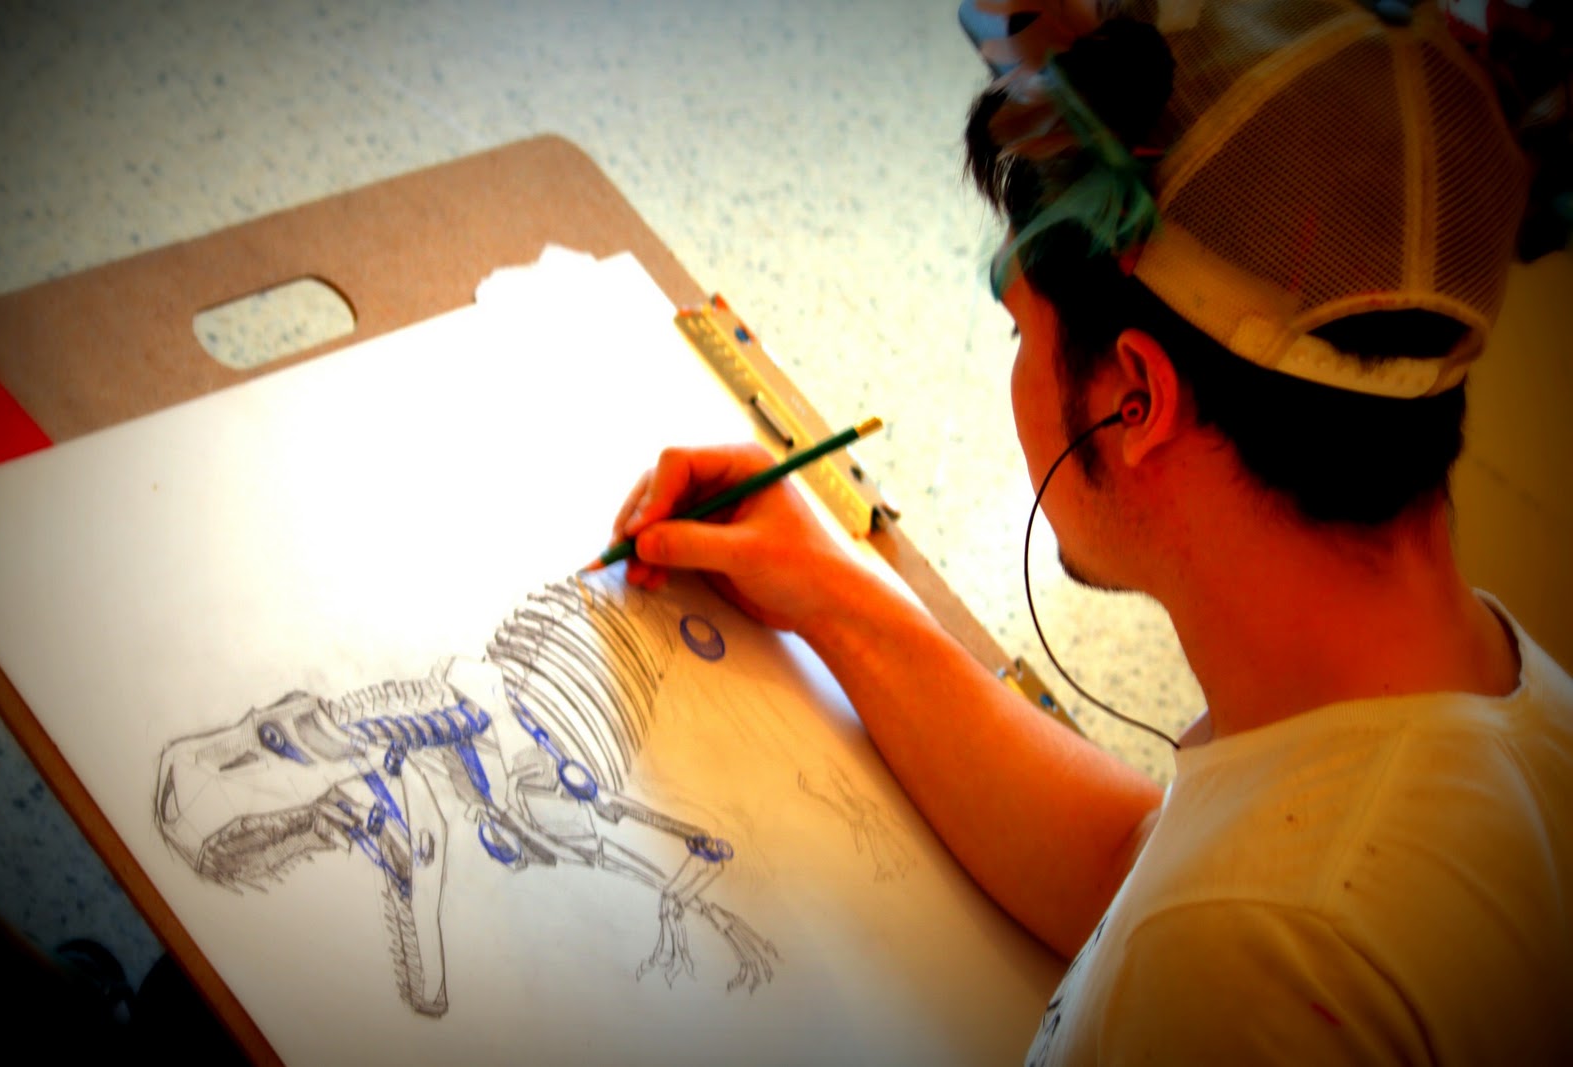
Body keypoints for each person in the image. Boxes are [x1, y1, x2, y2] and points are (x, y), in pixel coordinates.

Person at [606, 1, 1573, 1062]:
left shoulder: (1245, 966)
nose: (1017, 364)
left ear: (1134, 397)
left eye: (1021, 330)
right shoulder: (1495, 707)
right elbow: (1137, 861)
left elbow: (1197, 920)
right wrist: (839, 596)